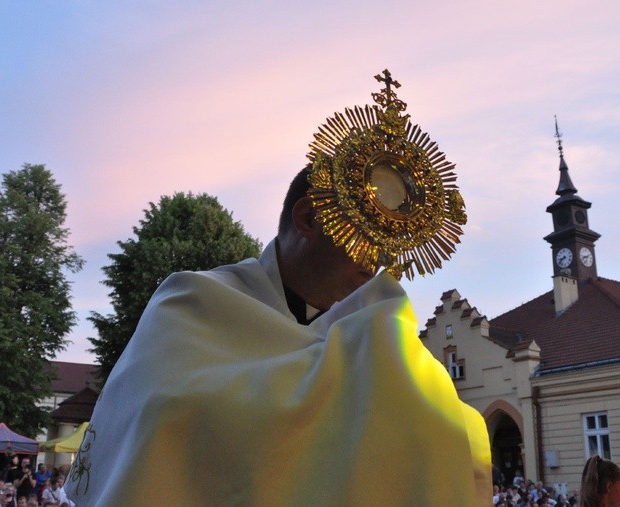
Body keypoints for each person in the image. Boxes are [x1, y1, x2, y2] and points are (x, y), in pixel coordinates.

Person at [64, 70, 491, 505]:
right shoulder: (191, 303)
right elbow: (168, 419)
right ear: (307, 219)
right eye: (365, 241)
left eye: (387, 254)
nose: (375, 268)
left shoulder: (374, 332)